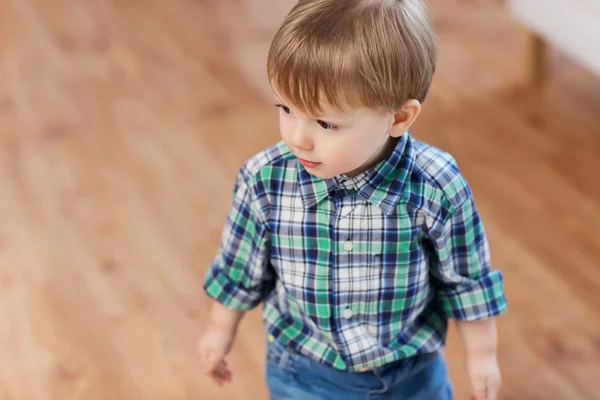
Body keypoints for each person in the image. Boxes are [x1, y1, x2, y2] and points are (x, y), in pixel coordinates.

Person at [198, 0, 508, 399]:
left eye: (326, 123)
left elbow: (465, 279)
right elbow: (241, 269)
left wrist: (483, 354)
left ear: (398, 118)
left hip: (411, 375)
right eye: (287, 109)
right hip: (303, 374)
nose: (298, 137)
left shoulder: (436, 186)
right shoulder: (265, 180)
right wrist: (219, 330)